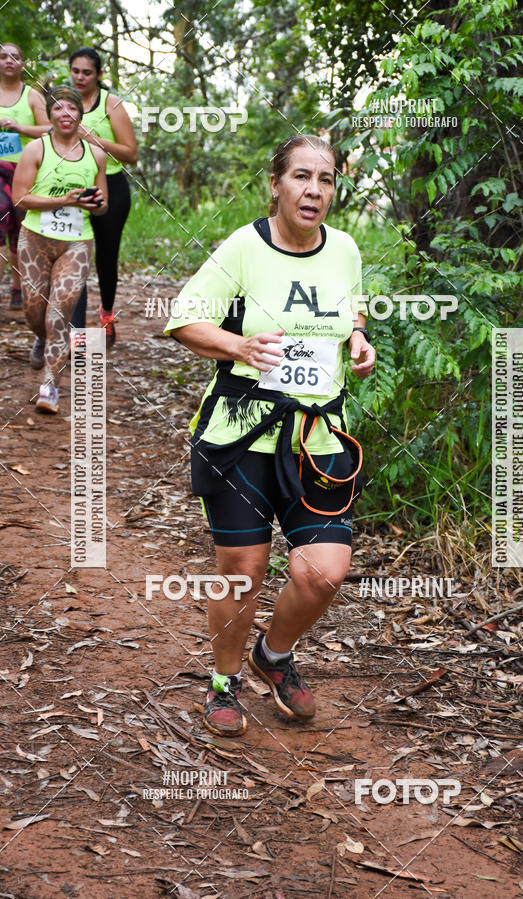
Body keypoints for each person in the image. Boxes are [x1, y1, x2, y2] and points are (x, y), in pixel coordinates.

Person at [165, 134, 375, 737]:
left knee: (323, 571)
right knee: (243, 568)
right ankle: (224, 681)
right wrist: (239, 346)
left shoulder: (345, 248)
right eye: (301, 176)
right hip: (242, 433)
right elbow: (184, 318)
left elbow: (352, 308)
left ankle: (274, 655)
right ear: (277, 184)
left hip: (318, 437)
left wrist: (358, 339)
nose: (314, 190)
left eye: (326, 179)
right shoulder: (244, 247)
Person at [13, 85, 107, 413]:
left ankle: (50, 386)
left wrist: (94, 203)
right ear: (50, 114)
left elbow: (103, 206)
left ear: (80, 114)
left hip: (77, 243)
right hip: (35, 239)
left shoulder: (95, 154)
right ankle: (39, 337)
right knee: (34, 312)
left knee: (59, 315)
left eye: (72, 108)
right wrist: (63, 201)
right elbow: (20, 198)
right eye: (58, 108)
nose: (65, 114)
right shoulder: (36, 149)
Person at [68, 47, 137, 345]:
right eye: (75, 71)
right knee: (74, 257)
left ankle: (107, 315)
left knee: (106, 257)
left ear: (98, 74)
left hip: (111, 185)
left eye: (87, 72)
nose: (80, 77)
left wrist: (93, 139)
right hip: (73, 186)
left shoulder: (110, 103)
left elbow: (131, 153)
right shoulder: (63, 102)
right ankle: (76, 329)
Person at [0, 42, 50, 307]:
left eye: (14, 57)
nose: (9, 61)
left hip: (24, 171)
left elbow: (50, 129)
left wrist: (20, 127)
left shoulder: (31, 95)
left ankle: (18, 289)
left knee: (20, 233)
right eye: (3, 57)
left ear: (22, 63)